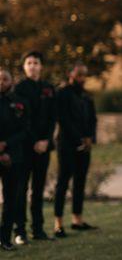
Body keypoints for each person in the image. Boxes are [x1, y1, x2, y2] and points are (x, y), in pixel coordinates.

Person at [14, 51, 57, 243]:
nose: (32, 66)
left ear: (41, 66)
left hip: (44, 146)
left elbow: (52, 118)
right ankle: (20, 231)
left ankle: (38, 229)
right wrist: (34, 142)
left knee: (38, 189)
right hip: (25, 147)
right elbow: (22, 120)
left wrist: (46, 140)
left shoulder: (48, 88)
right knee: (21, 189)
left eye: (36, 62)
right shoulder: (19, 89)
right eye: (29, 63)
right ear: (24, 66)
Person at [54, 63, 98, 238]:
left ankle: (77, 220)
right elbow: (63, 119)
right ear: (70, 74)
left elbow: (93, 119)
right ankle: (58, 223)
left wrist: (90, 138)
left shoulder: (87, 96)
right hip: (67, 144)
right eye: (79, 74)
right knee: (63, 183)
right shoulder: (62, 94)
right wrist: (79, 137)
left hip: (85, 146)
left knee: (80, 182)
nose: (82, 78)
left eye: (84, 75)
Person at [0, 69, 29, 251]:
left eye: (5, 79)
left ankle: (5, 237)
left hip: (13, 156)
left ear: (11, 82)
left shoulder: (18, 103)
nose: (1, 82)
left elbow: (25, 129)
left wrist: (6, 145)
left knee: (11, 199)